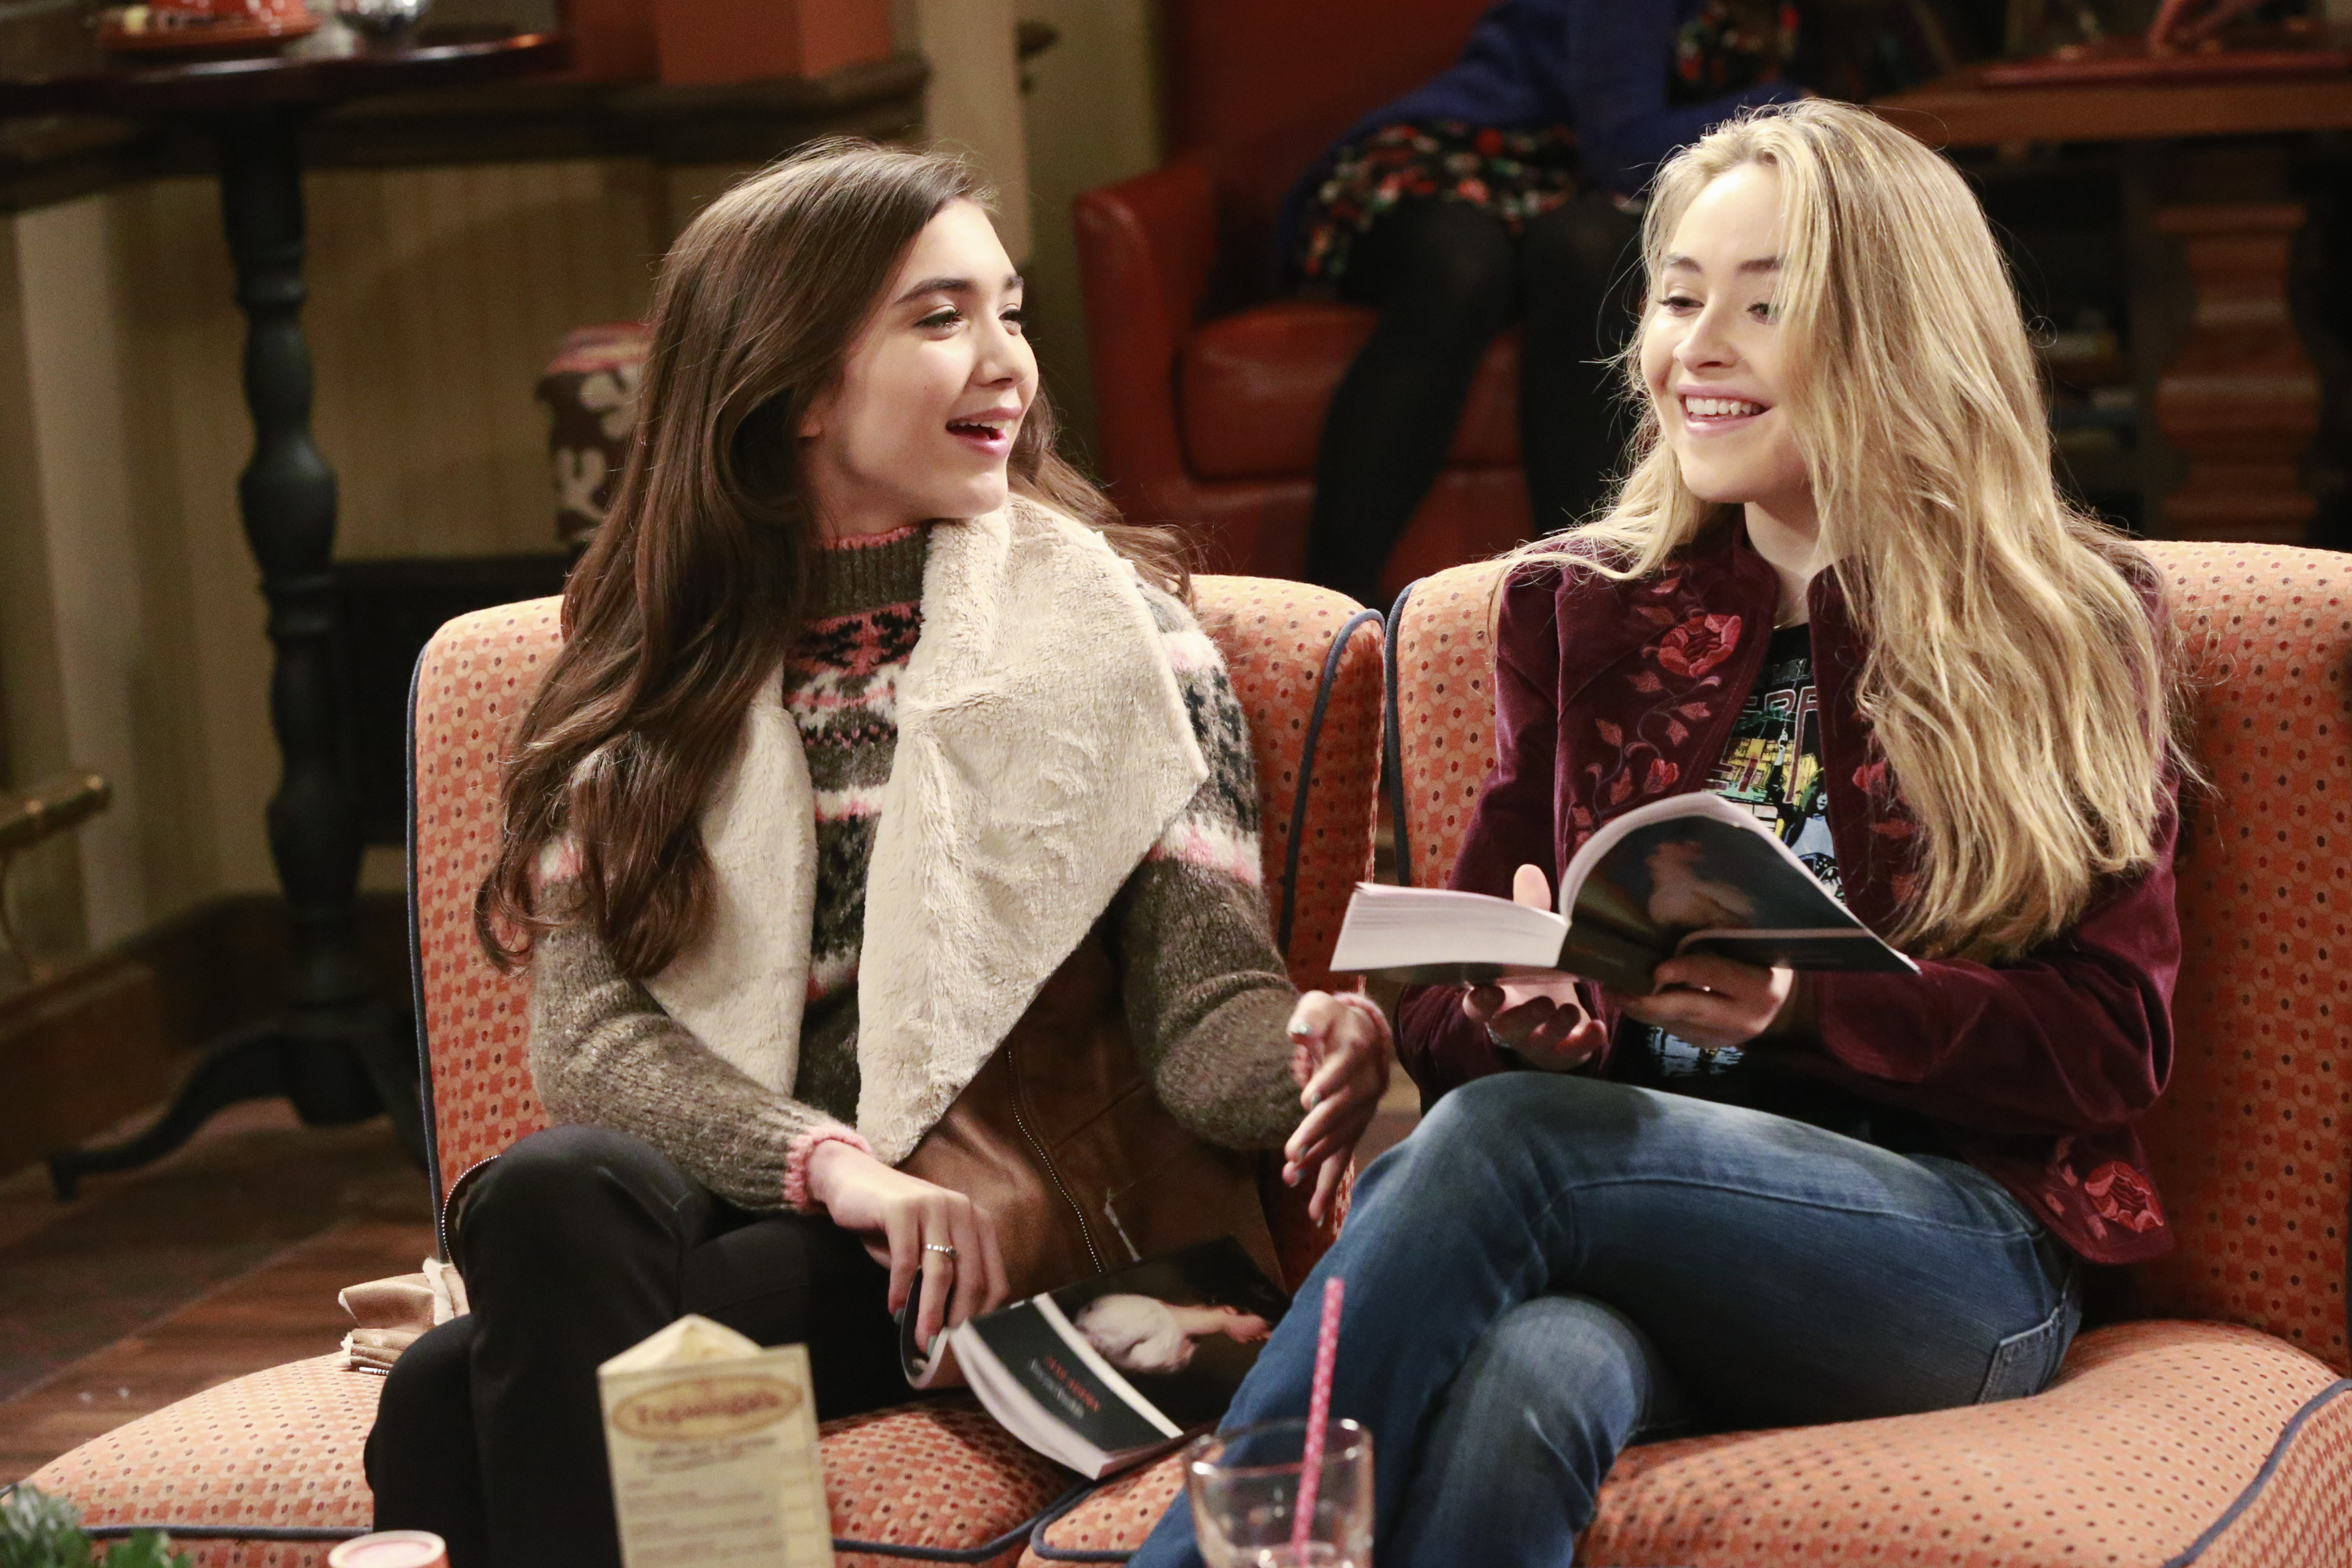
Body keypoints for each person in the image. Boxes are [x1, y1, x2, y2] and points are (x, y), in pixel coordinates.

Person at [1133, 99, 2185, 1568]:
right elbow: (1451, 999)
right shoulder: (1583, 610)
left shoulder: (2069, 623)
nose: (1700, 346)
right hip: (1633, 1223)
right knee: (1532, 1376)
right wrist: (1517, 1026)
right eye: (1680, 298)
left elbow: (2112, 1044)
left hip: (1957, 1253)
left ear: (1899, 336)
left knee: (1511, 1145)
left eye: (1764, 305)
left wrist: (1805, 1004)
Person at [363, 139, 1392, 1568]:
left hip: (988, 1228)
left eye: (1011, 312)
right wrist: (827, 1163)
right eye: (939, 319)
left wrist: (1325, 1054)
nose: (1007, 363)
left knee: (439, 1387)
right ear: (791, 387)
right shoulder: (641, 664)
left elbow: (1205, 1012)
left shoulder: (1128, 645)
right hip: (760, 1199)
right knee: (548, 1189)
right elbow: (590, 1045)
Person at [1291, 0, 1809, 607]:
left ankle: (1585, 596)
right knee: (1464, 268)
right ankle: (1333, 604)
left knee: (1584, 253)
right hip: (1464, 155)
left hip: (1572, 193)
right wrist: (1796, 102)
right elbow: (1623, 145)